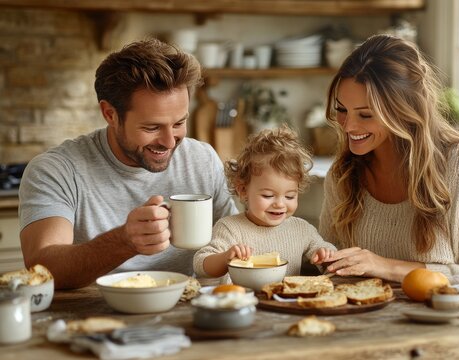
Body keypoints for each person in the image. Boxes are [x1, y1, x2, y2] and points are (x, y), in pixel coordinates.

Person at [18, 38, 238, 289]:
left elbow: (236, 238)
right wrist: (123, 242)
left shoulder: (202, 160)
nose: (169, 142)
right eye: (152, 127)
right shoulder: (56, 170)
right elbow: (43, 268)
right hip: (93, 315)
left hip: (191, 313)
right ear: (110, 114)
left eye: (178, 123)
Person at [319, 34, 459, 283]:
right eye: (341, 110)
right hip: (361, 319)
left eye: (366, 115)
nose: (348, 127)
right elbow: (328, 269)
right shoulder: (344, 173)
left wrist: (387, 267)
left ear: (404, 111)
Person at [193, 126, 336, 283]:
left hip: (284, 303)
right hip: (242, 302)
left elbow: (326, 255)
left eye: (290, 196)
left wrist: (325, 255)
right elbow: (201, 263)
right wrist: (225, 258)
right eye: (268, 195)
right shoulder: (230, 228)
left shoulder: (301, 229)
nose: (280, 204)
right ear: (243, 190)